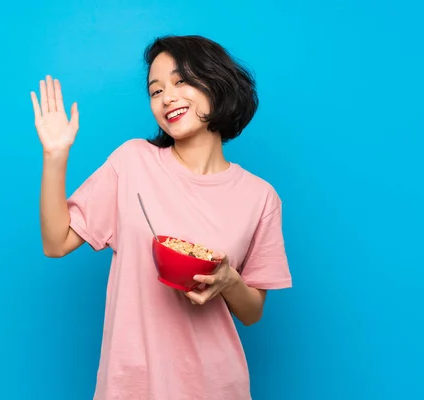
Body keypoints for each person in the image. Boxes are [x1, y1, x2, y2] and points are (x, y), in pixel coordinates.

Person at [30, 34, 292, 400]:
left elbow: (252, 313)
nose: (167, 98)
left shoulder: (260, 197)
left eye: (181, 81)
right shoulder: (132, 162)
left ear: (215, 82)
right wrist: (55, 155)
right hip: (129, 386)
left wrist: (230, 281)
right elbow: (56, 242)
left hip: (216, 386)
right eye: (156, 91)